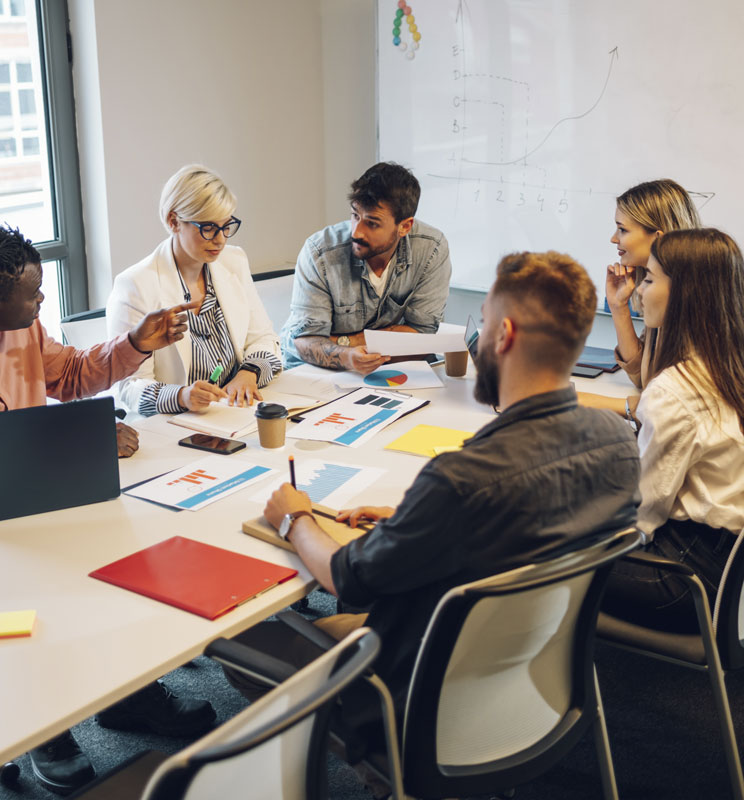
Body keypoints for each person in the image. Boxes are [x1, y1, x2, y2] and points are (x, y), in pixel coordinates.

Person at [229, 250, 641, 770]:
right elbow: (520, 525)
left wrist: (294, 517)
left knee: (248, 642)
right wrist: (414, 519)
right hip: (531, 688)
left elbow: (346, 579)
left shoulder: (460, 480)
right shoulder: (618, 443)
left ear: (504, 336)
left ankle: (383, 774)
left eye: (482, 325)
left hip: (413, 700)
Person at [0, 223, 217, 793]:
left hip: (42, 488)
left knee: (116, 567)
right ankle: (43, 725)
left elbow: (68, 377)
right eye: (34, 294)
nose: (43, 300)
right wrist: (77, 439)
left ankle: (127, 696)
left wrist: (137, 343)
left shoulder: (20, 327)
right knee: (26, 604)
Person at [602, 228, 744, 631]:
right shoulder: (726, 364)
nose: (641, 291)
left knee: (529, 547)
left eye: (649, 279)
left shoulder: (677, 389)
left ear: (686, 292)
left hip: (686, 577)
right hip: (730, 572)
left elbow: (642, 515)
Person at [106, 164, 282, 415]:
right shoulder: (135, 285)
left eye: (226, 226)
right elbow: (127, 386)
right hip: (176, 424)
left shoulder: (234, 261)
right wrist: (181, 396)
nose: (220, 239)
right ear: (174, 221)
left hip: (235, 412)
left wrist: (249, 372)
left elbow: (265, 338)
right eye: (208, 228)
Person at [280, 161, 452, 373]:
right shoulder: (320, 252)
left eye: (372, 223)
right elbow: (305, 342)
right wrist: (347, 356)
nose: (357, 232)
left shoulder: (430, 249)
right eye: (355, 215)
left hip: (385, 370)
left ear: (405, 226)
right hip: (313, 372)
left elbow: (423, 337)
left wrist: (343, 341)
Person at [580, 179, 701, 422]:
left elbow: (674, 405)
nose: (614, 239)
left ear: (658, 238)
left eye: (622, 229)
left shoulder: (695, 302)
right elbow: (644, 378)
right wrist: (618, 306)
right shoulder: (660, 292)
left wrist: (587, 402)